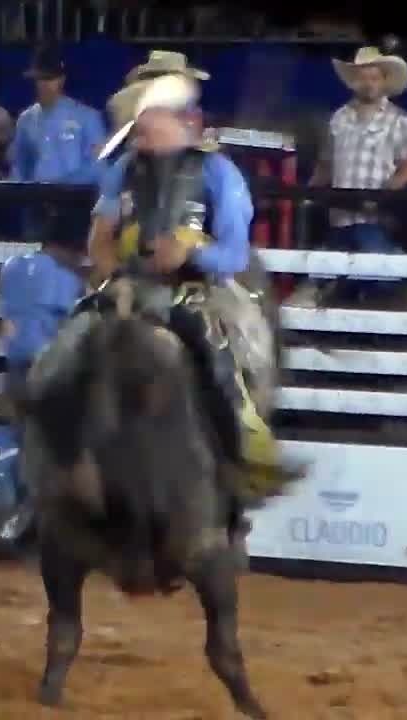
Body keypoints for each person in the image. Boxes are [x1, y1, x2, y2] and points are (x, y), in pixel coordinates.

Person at [87, 74, 297, 532]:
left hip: (201, 288)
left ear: (180, 121)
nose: (140, 131)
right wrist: (110, 275)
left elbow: (235, 254)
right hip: (130, 285)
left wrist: (191, 253)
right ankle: (53, 483)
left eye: (148, 120)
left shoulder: (218, 172)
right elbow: (100, 236)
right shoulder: (122, 171)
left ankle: (238, 457)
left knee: (219, 352)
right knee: (71, 346)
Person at [0, 195, 90, 542]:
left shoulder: (13, 266)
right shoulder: (65, 278)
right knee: (42, 452)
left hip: (12, 370)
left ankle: (23, 527)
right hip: (46, 372)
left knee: (35, 448)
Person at [293, 46, 407, 307]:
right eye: (363, 77)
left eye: (374, 78)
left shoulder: (399, 120)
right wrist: (308, 193)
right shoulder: (339, 118)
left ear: (384, 81)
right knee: (332, 274)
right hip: (339, 216)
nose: (369, 83)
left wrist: (387, 192)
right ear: (354, 81)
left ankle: (373, 330)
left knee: (379, 276)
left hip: (374, 216)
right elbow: (326, 162)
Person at [11, 45, 106, 250]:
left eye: (50, 78)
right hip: (37, 207)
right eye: (40, 79)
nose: (44, 84)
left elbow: (98, 166)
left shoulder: (87, 118)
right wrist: (21, 192)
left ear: (61, 79)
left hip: (74, 203)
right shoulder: (26, 119)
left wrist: (59, 188)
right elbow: (20, 164)